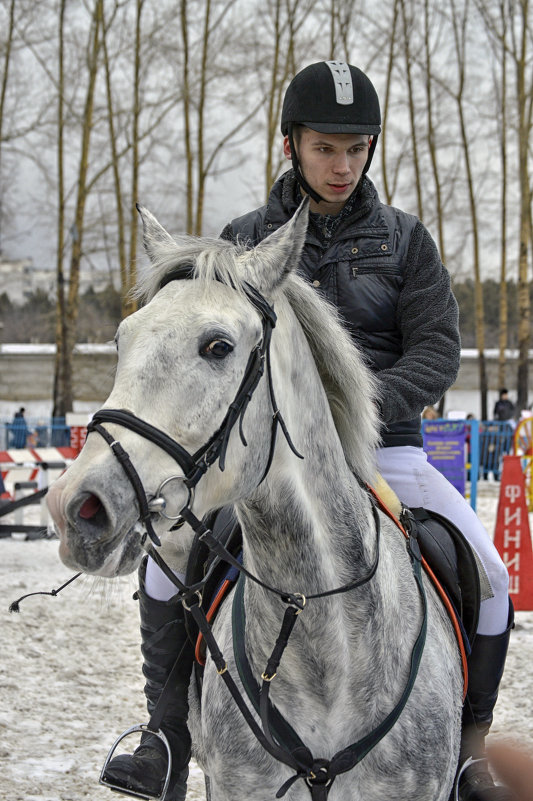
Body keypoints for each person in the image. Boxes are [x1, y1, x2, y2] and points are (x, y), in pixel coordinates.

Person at [103, 61, 514, 801]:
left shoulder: (405, 240)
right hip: (263, 460)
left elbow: (437, 349)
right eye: (326, 146)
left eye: (356, 148)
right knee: (165, 564)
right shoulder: (244, 240)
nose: (342, 164)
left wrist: (358, 406)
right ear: (290, 142)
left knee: (489, 575)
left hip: (385, 448)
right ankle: (164, 735)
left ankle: (464, 750)